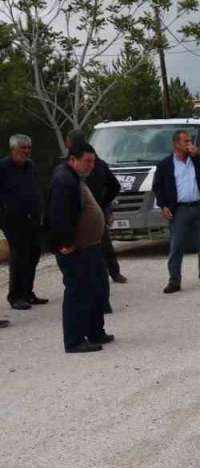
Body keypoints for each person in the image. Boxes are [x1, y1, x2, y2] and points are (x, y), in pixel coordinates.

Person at [49, 141, 112, 354]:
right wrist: (66, 243)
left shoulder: (76, 177)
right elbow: (58, 215)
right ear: (73, 159)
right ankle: (74, 340)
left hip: (90, 246)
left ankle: (95, 332)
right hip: (76, 249)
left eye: (93, 161)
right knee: (77, 291)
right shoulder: (64, 179)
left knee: (94, 290)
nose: (91, 165)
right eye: (87, 161)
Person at [152, 130, 200, 294]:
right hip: (179, 209)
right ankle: (174, 280)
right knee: (177, 245)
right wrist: (164, 206)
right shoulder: (166, 164)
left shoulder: (196, 160)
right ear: (176, 143)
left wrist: (197, 157)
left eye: (190, 141)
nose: (190, 144)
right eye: (186, 141)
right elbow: (158, 187)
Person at [1, 134, 48, 312]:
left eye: (29, 147)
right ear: (13, 149)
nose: (27, 151)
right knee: (19, 257)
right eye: (23, 148)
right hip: (12, 221)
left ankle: (28, 292)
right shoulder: (3, 167)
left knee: (34, 254)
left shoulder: (31, 166)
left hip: (33, 219)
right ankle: (15, 296)